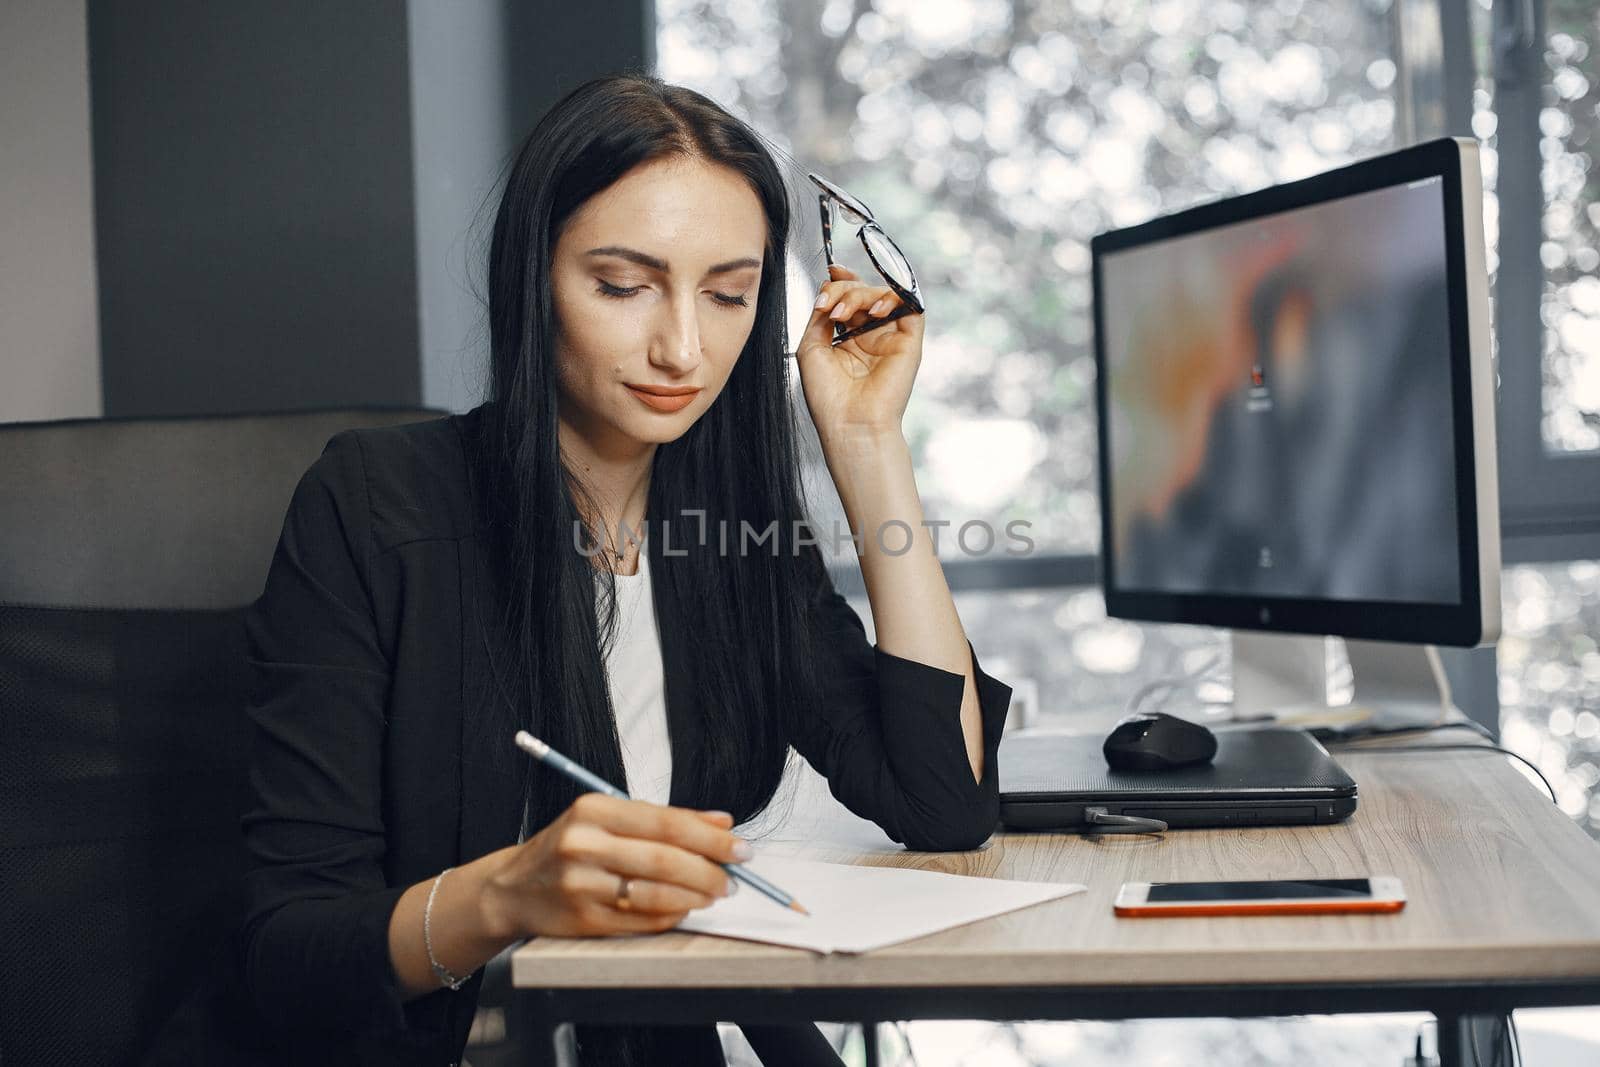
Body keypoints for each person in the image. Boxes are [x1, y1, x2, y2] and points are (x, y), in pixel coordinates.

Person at [147, 71, 1013, 1067]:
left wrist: (866, 443)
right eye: (622, 285)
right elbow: (289, 954)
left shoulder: (728, 530)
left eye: (729, 294)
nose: (683, 345)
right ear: (537, 277)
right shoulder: (378, 505)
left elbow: (943, 801)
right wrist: (509, 892)